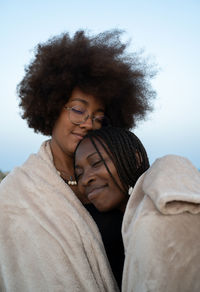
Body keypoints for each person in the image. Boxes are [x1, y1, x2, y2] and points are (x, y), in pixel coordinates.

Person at [0, 29, 155, 291]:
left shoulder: (117, 182)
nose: (88, 123)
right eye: (79, 109)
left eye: (98, 116)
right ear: (50, 107)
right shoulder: (13, 196)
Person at [74, 126, 200, 292]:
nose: (85, 180)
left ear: (135, 159)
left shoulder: (164, 197)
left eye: (96, 163)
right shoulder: (93, 226)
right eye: (78, 174)